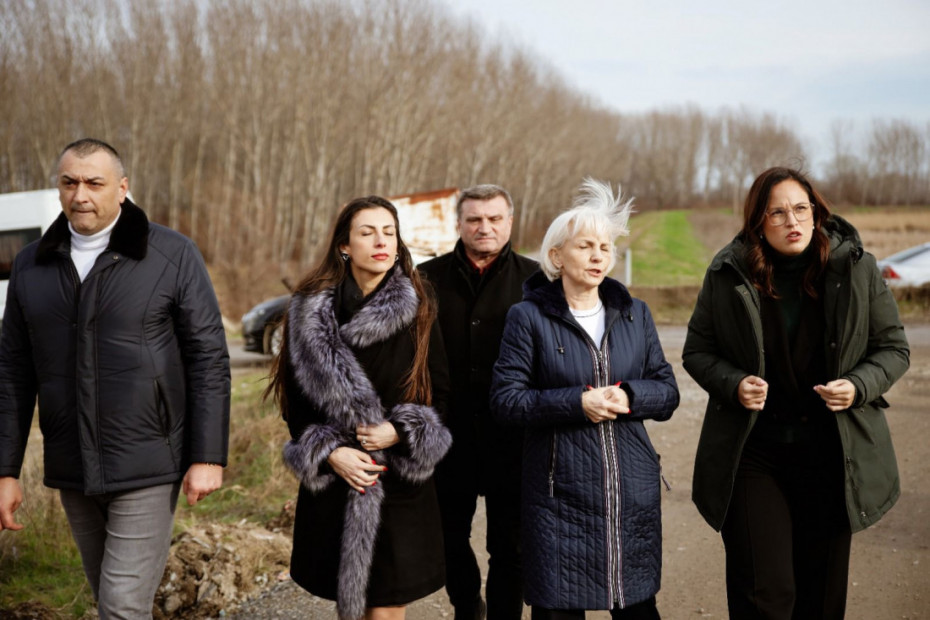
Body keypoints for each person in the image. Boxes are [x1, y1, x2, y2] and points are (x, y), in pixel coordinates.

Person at [0, 138, 230, 617]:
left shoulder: (170, 254)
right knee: (111, 601)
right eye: (69, 183)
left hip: (149, 459)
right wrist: (6, 470)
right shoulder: (31, 264)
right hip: (72, 465)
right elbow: (13, 373)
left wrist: (207, 455)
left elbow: (207, 357)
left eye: (94, 183)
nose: (80, 194)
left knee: (121, 605)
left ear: (122, 188)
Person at [683, 167, 910, 619]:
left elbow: (893, 348)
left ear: (816, 213)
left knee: (820, 600)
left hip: (832, 453)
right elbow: (697, 350)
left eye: (802, 209)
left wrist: (858, 385)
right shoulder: (728, 272)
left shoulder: (856, 268)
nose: (793, 221)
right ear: (758, 222)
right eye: (778, 213)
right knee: (763, 597)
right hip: (754, 453)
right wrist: (734, 383)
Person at [491, 179, 679, 620]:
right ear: (557, 256)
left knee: (637, 607)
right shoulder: (527, 317)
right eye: (585, 246)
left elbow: (668, 391)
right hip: (559, 499)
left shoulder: (635, 313)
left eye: (605, 247)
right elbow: (506, 400)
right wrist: (577, 403)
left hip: (629, 493)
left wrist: (630, 395)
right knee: (558, 608)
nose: (598, 256)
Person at [269, 195, 452, 620]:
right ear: (344, 245)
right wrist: (331, 453)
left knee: (385, 609)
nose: (381, 242)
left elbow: (442, 395)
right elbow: (294, 405)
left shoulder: (420, 305)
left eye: (389, 232)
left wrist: (400, 431)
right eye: (367, 233)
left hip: (398, 478)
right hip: (338, 478)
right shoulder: (309, 309)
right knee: (349, 608)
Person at [419, 184, 538, 620]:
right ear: (459, 224)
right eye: (474, 219)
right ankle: (468, 606)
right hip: (447, 437)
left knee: (511, 546)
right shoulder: (424, 280)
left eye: (494, 219)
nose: (484, 227)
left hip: (515, 439)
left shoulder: (538, 280)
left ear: (510, 222)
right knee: (448, 537)